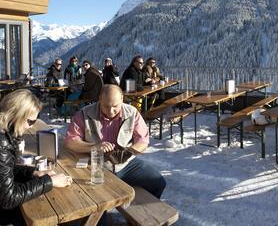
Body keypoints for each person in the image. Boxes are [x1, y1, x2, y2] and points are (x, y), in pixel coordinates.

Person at [65, 85, 167, 200]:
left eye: (115, 106)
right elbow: (70, 141)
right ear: (100, 99)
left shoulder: (132, 112)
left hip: (126, 164)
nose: (111, 111)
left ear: (122, 99)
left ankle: (138, 213)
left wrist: (128, 152)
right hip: (96, 165)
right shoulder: (85, 113)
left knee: (158, 183)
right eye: (106, 106)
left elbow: (143, 140)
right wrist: (95, 146)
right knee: (94, 199)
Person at [0, 90, 74, 225]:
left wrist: (33, 172)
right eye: (30, 121)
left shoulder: (4, 132)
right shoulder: (2, 142)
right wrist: (49, 181)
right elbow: (8, 199)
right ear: (16, 115)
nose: (31, 126)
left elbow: (5, 168)